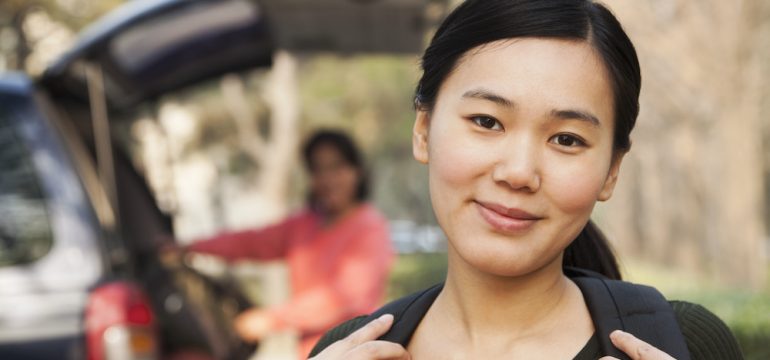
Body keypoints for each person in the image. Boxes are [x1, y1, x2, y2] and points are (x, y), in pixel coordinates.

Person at [308, 1, 743, 359]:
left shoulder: (687, 342)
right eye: (487, 121)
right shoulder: (348, 350)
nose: (518, 173)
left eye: (567, 140)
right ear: (423, 130)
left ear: (611, 171)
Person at [184, 130, 394, 359]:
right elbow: (252, 242)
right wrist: (190, 247)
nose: (327, 179)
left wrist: (269, 319)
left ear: (357, 172)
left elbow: (342, 298)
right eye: (317, 170)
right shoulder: (305, 224)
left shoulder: (370, 227)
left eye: (336, 167)